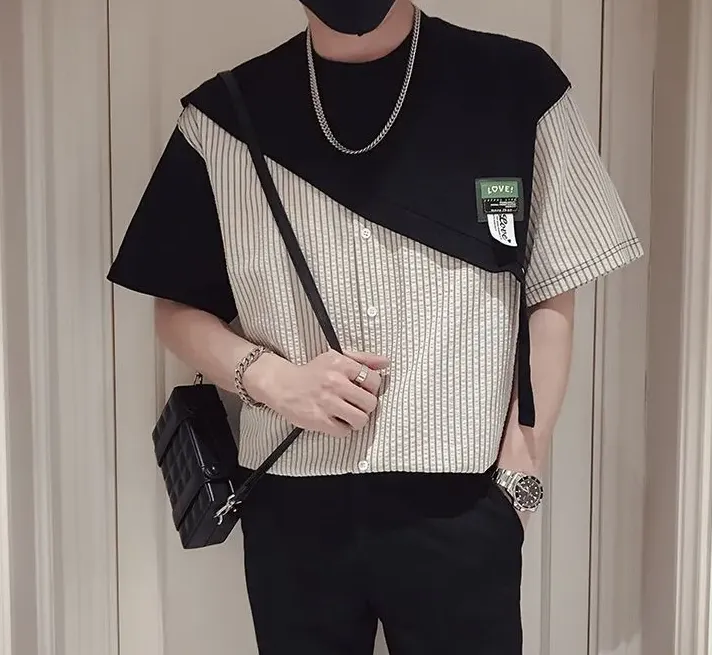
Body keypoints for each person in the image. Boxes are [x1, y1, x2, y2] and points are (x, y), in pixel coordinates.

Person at [107, 1, 644, 653]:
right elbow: (175, 308)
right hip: (293, 508)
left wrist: (520, 474)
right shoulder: (224, 117)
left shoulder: (515, 86)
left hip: (464, 501)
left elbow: (553, 290)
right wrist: (276, 382)